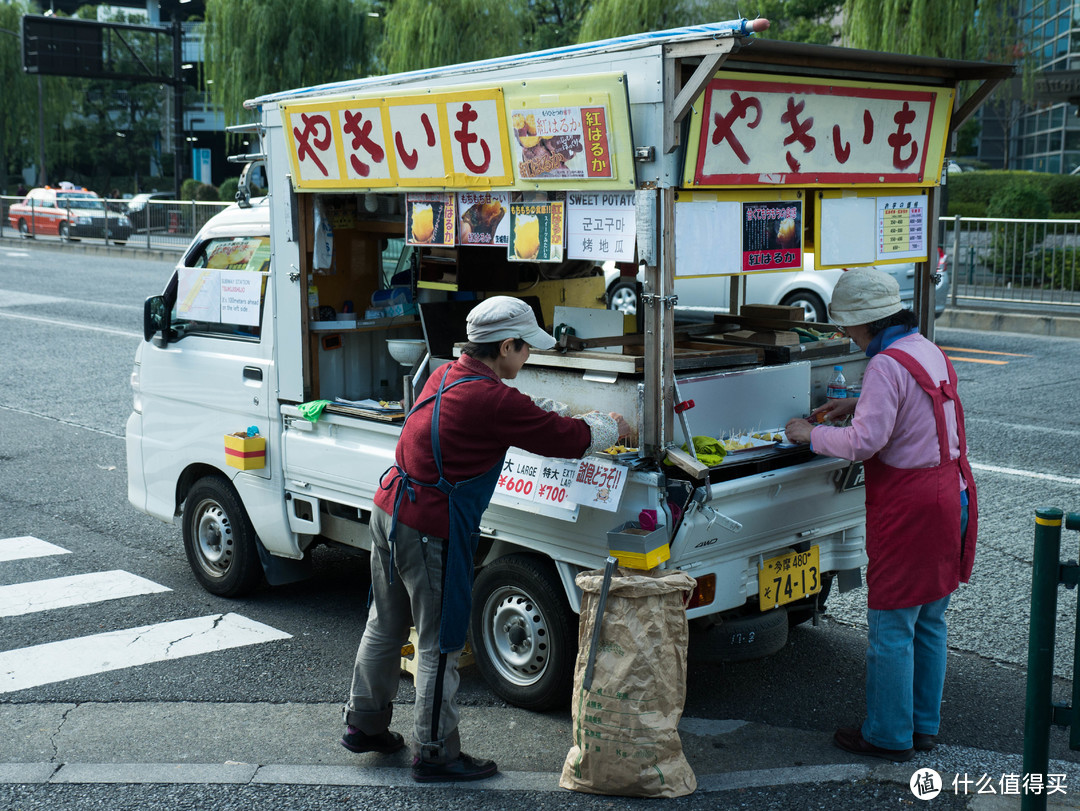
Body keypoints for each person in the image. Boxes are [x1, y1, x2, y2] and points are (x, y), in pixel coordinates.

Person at [341, 296, 632, 783]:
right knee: (439, 643)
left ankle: (364, 724)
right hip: (431, 527)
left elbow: (512, 416)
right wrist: (609, 426)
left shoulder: (448, 374)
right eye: (525, 349)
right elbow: (567, 439)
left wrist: (536, 409)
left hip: (389, 508)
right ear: (506, 345)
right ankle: (435, 753)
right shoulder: (493, 399)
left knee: (386, 622)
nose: (529, 358)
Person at [784, 267, 977, 763]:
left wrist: (809, 434)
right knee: (931, 618)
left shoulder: (886, 365)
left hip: (912, 506)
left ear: (866, 323)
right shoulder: (926, 349)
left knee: (892, 623)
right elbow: (909, 416)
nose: (847, 334)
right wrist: (850, 406)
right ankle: (922, 725)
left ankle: (889, 735)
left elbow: (866, 443)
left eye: (848, 326)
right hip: (951, 492)